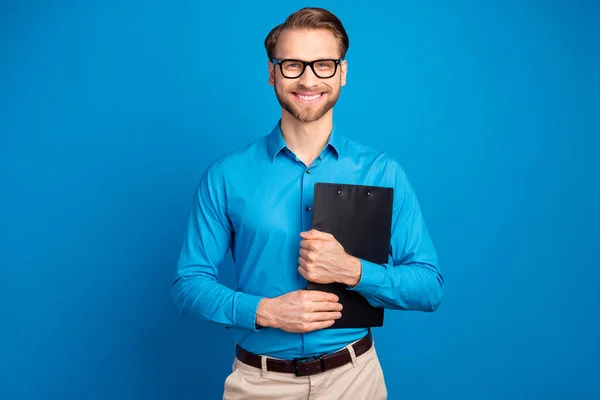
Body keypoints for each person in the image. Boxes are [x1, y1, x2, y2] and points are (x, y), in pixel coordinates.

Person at [171, 7, 443, 399]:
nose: (308, 79)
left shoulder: (383, 172)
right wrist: (264, 311)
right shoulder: (226, 176)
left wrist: (352, 270)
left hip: (355, 381)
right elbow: (188, 284)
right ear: (272, 73)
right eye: (293, 65)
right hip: (259, 384)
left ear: (343, 73)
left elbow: (429, 286)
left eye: (324, 65)